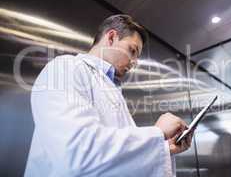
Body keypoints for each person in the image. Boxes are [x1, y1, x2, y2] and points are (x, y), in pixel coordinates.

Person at [24, 15, 193, 177]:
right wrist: (157, 133)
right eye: (132, 50)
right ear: (111, 37)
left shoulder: (112, 90)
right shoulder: (65, 68)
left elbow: (118, 162)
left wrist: (164, 148)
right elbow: (79, 153)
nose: (134, 62)